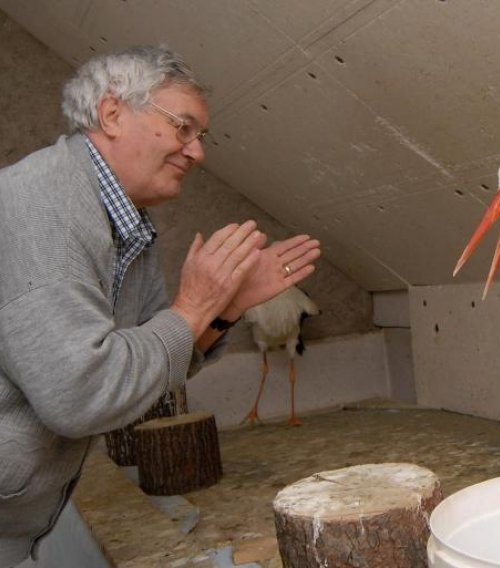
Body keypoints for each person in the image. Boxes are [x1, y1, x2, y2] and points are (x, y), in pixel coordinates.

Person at [0, 45, 321, 566]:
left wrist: (223, 309)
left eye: (200, 136)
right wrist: (194, 305)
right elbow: (80, 395)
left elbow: (146, 366)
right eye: (183, 128)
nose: (197, 152)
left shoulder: (124, 223)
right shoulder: (49, 215)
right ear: (112, 114)